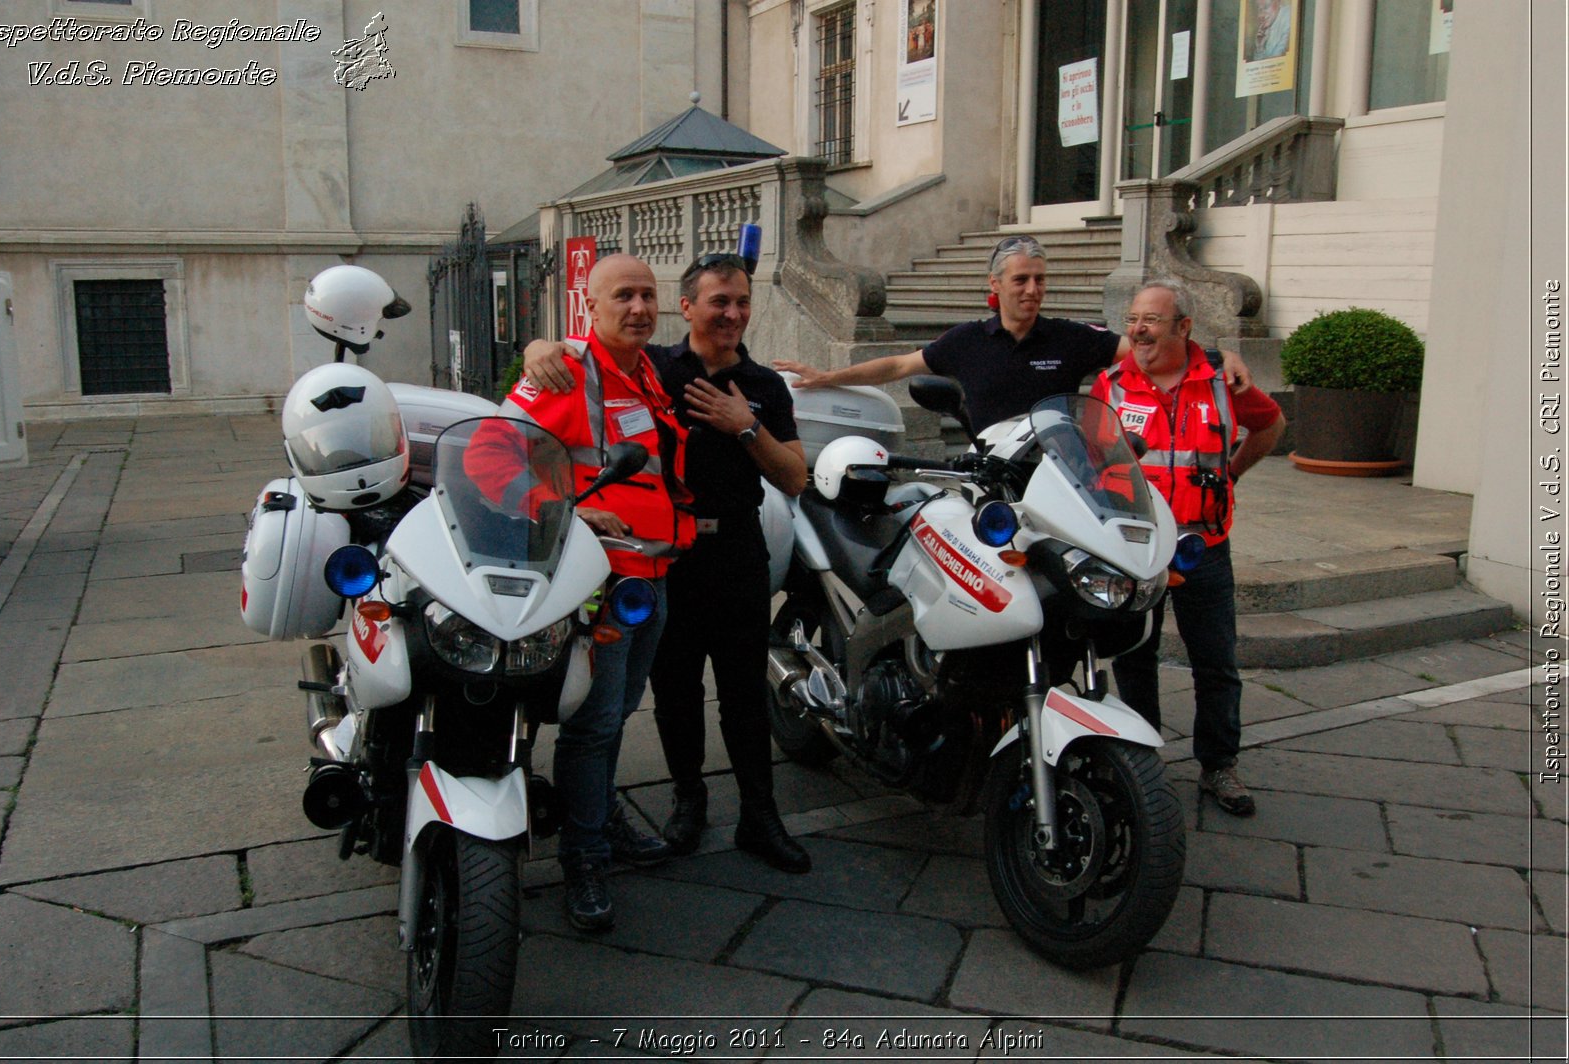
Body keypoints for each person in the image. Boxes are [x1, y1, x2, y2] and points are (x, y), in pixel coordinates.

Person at [522, 252, 815, 874]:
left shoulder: (762, 386)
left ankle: (760, 816)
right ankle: (688, 801)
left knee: (741, 689)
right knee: (672, 689)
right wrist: (538, 348)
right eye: (719, 302)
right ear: (687, 308)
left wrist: (746, 427)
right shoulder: (655, 365)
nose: (732, 313)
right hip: (662, 560)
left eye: (741, 302)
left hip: (736, 549)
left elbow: (795, 478)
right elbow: (582, 361)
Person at [468, 253, 695, 931]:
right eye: (622, 296)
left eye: (648, 295)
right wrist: (560, 508)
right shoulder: (567, 370)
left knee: (614, 715)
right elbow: (486, 456)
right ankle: (585, 855)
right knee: (594, 726)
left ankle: (598, 815)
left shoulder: (647, 371)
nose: (638, 307)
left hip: (651, 579)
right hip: (603, 584)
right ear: (589, 307)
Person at [1091, 278, 1285, 816]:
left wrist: (1231, 476)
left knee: (1216, 664)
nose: (1138, 330)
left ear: (1184, 327)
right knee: (1135, 659)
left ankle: (1219, 766)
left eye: (1150, 320)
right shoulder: (1113, 384)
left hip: (1204, 548)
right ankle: (1141, 760)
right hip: (1135, 550)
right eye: (1132, 320)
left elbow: (1270, 427)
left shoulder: (1222, 381)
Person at [772, 236, 1250, 436]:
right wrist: (829, 376)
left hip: (1058, 480)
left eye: (1040, 279)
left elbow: (1152, 346)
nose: (1033, 289)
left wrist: (1217, 352)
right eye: (1021, 280)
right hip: (990, 482)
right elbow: (898, 366)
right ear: (995, 286)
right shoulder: (966, 341)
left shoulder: (1072, 338)